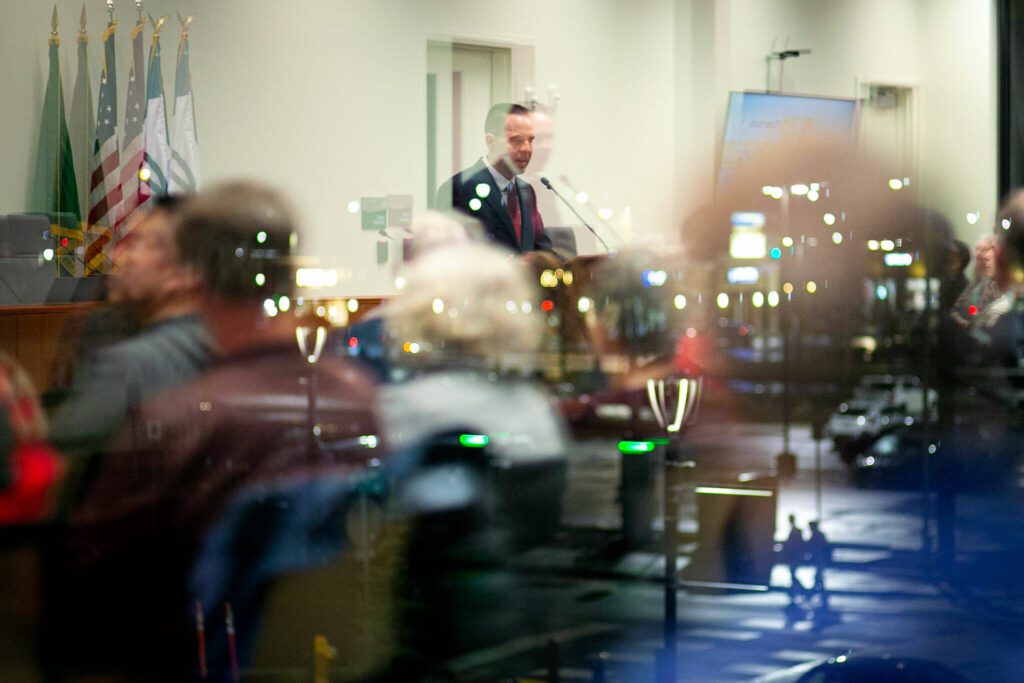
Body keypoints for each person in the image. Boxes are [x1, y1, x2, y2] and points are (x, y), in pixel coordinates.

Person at [54, 181, 385, 677]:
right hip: (341, 659)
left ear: (193, 276)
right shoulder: (361, 397)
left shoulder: (180, 418)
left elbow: (92, 576)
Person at [48, 195, 213, 460]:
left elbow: (60, 460)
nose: (117, 256)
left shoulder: (130, 365)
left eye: (136, 243)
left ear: (183, 271)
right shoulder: (223, 346)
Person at [436, 102, 554, 254]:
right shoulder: (459, 189)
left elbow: (541, 249)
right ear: (490, 142)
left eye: (530, 140)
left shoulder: (526, 191)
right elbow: (450, 256)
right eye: (516, 140)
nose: (527, 148)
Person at [806, 520, 832, 607]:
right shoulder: (819, 535)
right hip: (820, 559)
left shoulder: (816, 535)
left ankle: (815, 592)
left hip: (820, 559)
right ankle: (821, 593)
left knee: (818, 576)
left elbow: (812, 546)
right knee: (819, 576)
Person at [781, 514, 806, 601]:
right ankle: (798, 589)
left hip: (794, 555)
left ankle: (801, 589)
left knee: (792, 573)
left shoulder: (795, 531)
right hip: (795, 555)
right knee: (792, 573)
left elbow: (794, 544)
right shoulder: (796, 530)